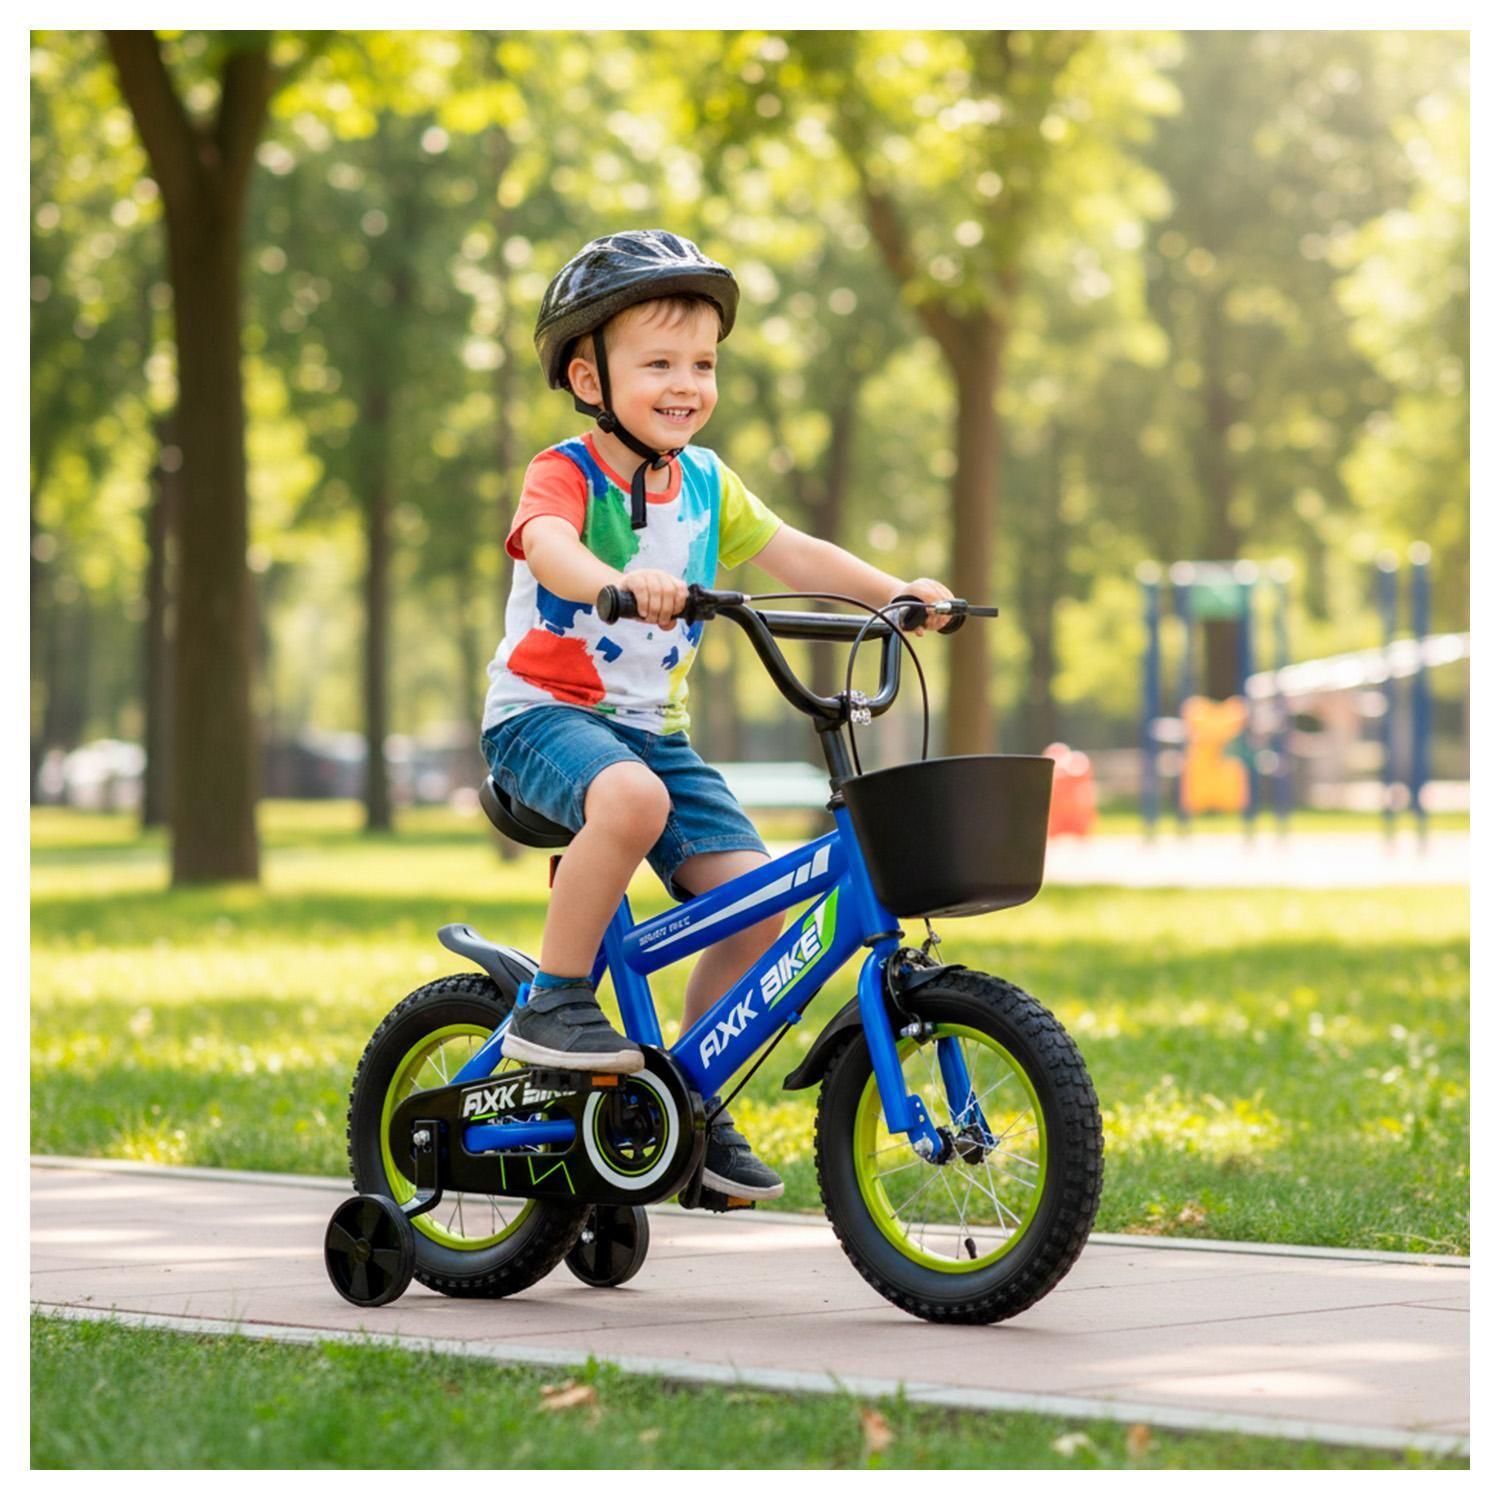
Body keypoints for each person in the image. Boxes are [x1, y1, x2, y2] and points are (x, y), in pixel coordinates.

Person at [481, 230, 952, 1201]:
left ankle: (684, 1104)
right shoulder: (564, 470)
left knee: (758, 910)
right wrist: (616, 584)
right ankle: (552, 1002)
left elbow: (798, 555)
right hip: (542, 717)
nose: (686, 383)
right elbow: (548, 547)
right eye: (658, 363)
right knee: (631, 799)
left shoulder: (705, 484)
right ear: (587, 374)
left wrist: (893, 593)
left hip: (653, 732)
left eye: (703, 364)